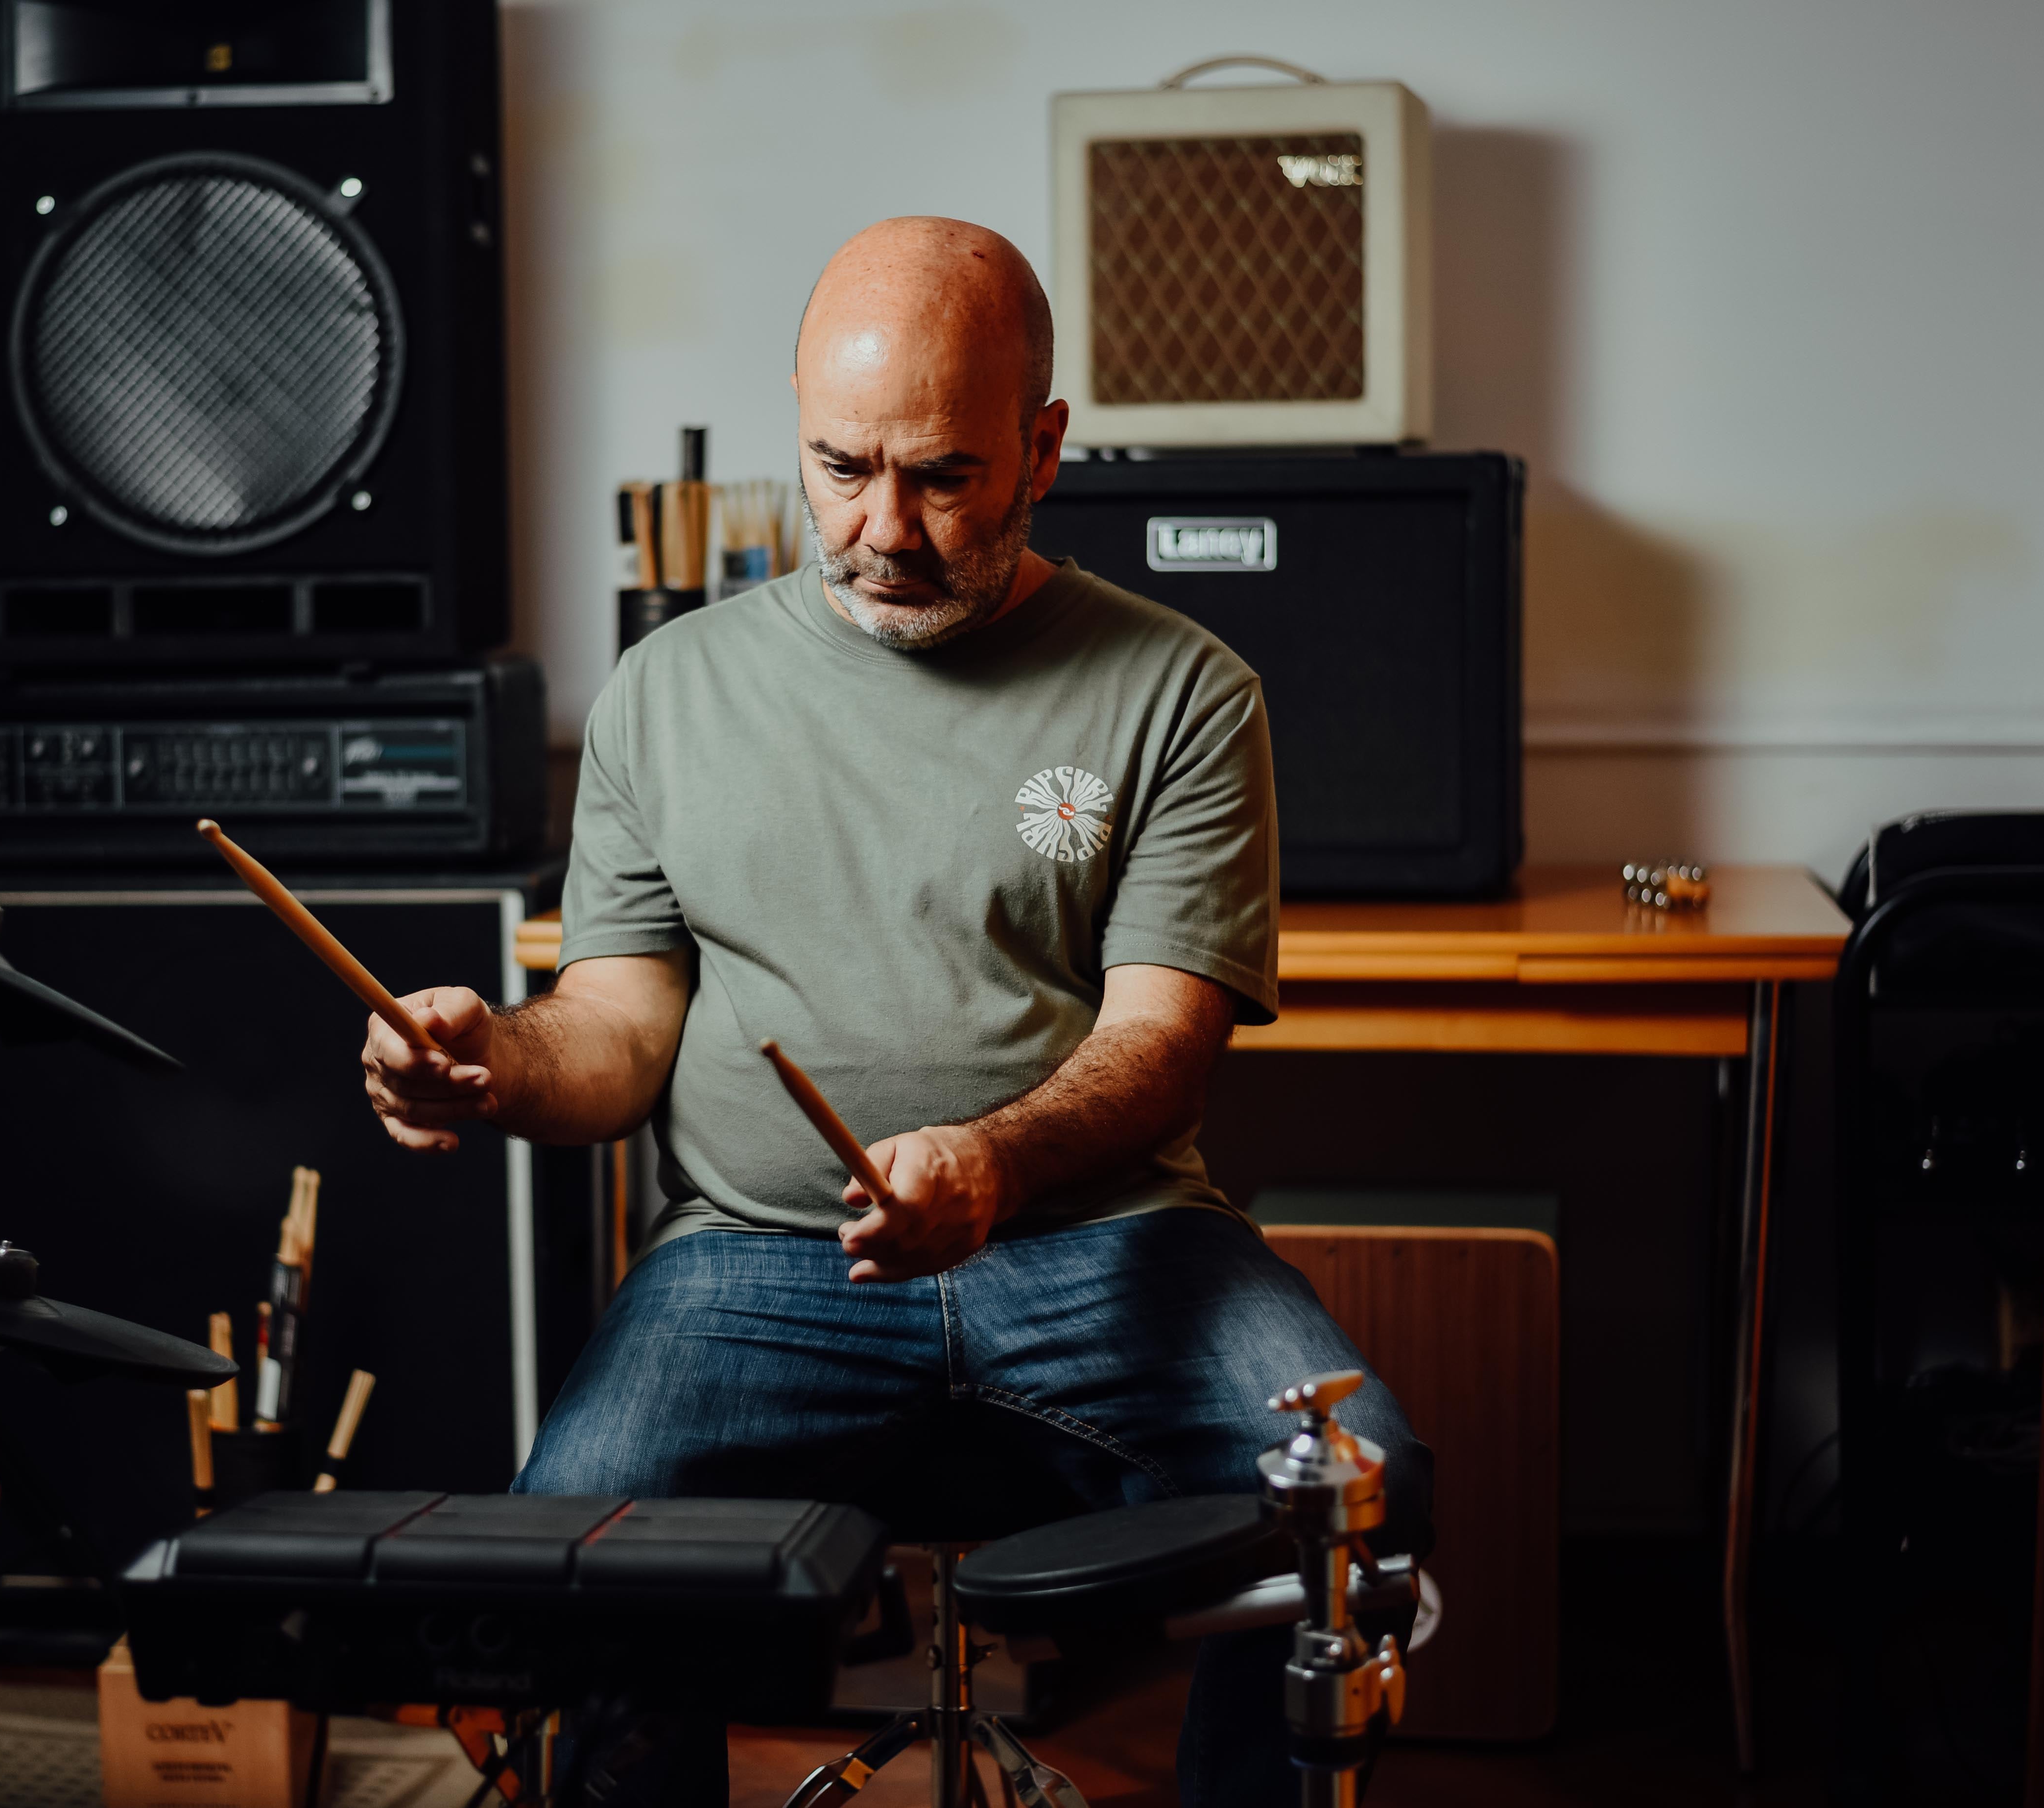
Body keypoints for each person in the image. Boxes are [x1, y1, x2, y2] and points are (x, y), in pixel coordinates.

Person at [361, 215, 1430, 1805]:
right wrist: (487, 1063)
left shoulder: (1183, 690)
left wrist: (995, 1166)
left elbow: (1160, 1040)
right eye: (843, 466)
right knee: (568, 1545)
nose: (884, 528)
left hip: (1103, 1242)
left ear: (1045, 448)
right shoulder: (668, 692)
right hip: (753, 1263)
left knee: (1365, 1489)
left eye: (942, 476)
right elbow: (619, 1028)